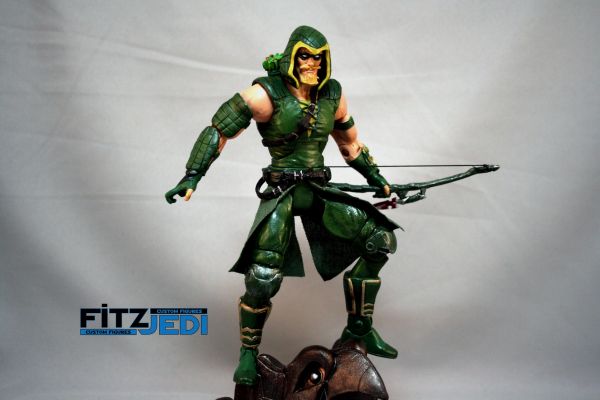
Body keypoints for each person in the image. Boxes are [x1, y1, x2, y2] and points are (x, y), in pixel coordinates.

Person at [166, 26, 400, 385]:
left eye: (319, 58)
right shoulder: (265, 93)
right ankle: (248, 354)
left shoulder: (332, 95)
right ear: (292, 56)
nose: (312, 64)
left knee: (380, 240)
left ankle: (359, 328)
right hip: (282, 192)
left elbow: (350, 145)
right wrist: (192, 175)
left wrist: (377, 178)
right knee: (262, 278)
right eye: (305, 56)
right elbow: (219, 129)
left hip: (318, 189)